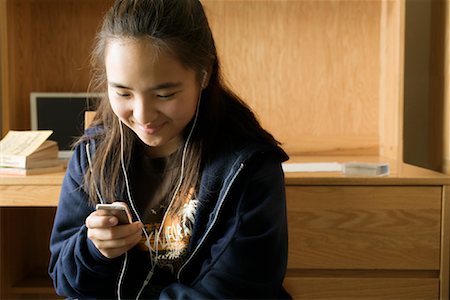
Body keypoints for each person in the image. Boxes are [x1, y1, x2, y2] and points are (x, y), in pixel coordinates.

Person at [48, 0, 290, 299]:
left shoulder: (248, 165)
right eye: (122, 92)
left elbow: (237, 289)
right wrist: (93, 249)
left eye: (164, 94)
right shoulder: (92, 154)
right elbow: (64, 279)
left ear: (204, 74)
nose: (143, 114)